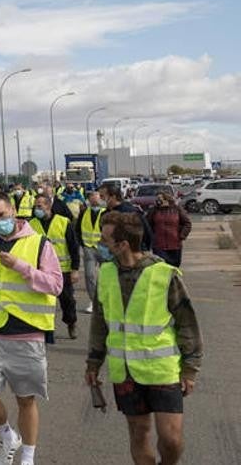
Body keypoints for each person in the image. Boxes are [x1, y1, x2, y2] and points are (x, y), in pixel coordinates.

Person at [86, 211, 203, 465]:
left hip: (163, 370)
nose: (101, 245)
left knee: (171, 439)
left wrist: (190, 369)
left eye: (105, 240)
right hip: (125, 371)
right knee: (139, 433)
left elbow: (187, 323)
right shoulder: (105, 274)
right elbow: (99, 323)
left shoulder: (164, 274)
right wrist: (93, 363)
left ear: (123, 244)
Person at [0, 192, 63, 465]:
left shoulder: (40, 243)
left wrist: (21, 267)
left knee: (26, 400)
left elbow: (56, 285)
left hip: (28, 333)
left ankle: (28, 457)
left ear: (13, 210)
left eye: (2, 215)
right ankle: (8, 435)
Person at [29, 194, 80, 339]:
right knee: (43, 302)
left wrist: (75, 269)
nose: (36, 209)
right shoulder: (31, 224)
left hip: (62, 270)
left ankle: (71, 322)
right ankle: (45, 330)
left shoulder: (63, 222)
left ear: (48, 206)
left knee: (67, 300)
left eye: (39, 206)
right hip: (41, 271)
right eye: (35, 206)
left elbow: (73, 247)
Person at [99, 182, 154, 251]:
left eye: (102, 196)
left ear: (113, 197)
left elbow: (146, 234)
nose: (100, 199)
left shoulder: (131, 212)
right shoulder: (104, 214)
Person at [76, 191, 106, 313]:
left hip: (104, 249)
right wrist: (82, 244)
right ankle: (94, 301)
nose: (94, 200)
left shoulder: (106, 213)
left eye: (96, 197)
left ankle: (105, 301)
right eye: (91, 197)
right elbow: (78, 229)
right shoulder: (84, 213)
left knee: (106, 276)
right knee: (90, 276)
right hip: (89, 248)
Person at [146, 194, 191, 267]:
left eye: (160, 199)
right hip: (159, 246)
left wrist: (181, 235)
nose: (158, 201)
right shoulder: (153, 211)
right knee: (161, 267)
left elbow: (187, 223)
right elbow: (147, 225)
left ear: (166, 199)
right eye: (157, 199)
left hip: (175, 245)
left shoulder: (176, 209)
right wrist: (152, 237)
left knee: (174, 267)